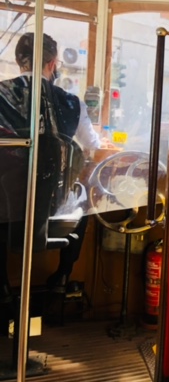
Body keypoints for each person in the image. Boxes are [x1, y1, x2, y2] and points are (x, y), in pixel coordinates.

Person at [0, 32, 104, 301]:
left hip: (5, 210)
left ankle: (3, 286)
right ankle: (63, 275)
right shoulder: (72, 102)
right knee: (84, 202)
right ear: (52, 63)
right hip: (53, 209)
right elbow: (92, 145)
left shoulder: (1, 94)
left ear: (19, 61)